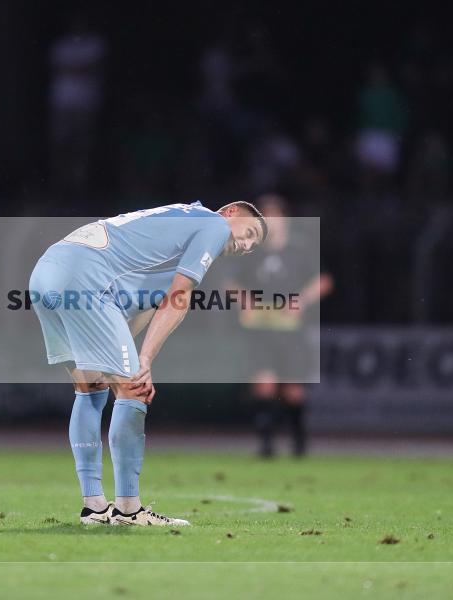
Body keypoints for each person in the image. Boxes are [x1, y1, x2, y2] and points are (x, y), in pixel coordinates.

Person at [28, 201, 267, 526]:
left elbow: (138, 307)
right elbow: (179, 296)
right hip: (86, 276)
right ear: (230, 212)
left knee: (91, 388)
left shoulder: (179, 221)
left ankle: (94, 508)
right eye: (250, 232)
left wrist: (121, 359)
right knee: (134, 390)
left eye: (255, 245)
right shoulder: (214, 225)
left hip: (47, 272)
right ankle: (129, 510)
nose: (248, 245)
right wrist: (142, 362)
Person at [231, 195, 332, 457]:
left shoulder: (301, 249)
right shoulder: (249, 251)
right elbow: (231, 284)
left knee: (293, 390)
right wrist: (245, 300)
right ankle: (266, 445)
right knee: (264, 383)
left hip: (292, 331)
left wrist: (302, 300)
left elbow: (323, 281)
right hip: (260, 330)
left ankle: (299, 442)